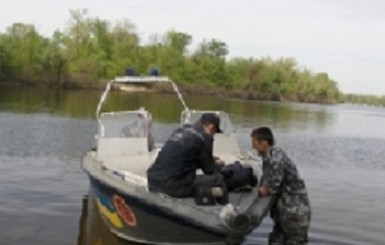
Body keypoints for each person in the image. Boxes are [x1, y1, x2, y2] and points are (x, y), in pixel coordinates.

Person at [251, 127, 311, 245]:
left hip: (295, 214)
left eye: (254, 143)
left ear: (264, 143)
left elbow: (269, 188)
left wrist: (261, 189)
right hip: (283, 213)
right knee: (275, 241)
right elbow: (265, 182)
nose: (252, 147)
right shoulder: (268, 157)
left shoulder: (276, 159)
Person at [147, 113, 225, 198]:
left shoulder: (181, 130)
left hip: (153, 181)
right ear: (211, 127)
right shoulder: (204, 138)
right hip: (173, 187)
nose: (213, 135)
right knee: (218, 179)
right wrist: (218, 165)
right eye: (214, 132)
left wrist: (210, 159)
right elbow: (210, 171)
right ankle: (221, 202)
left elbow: (184, 157)